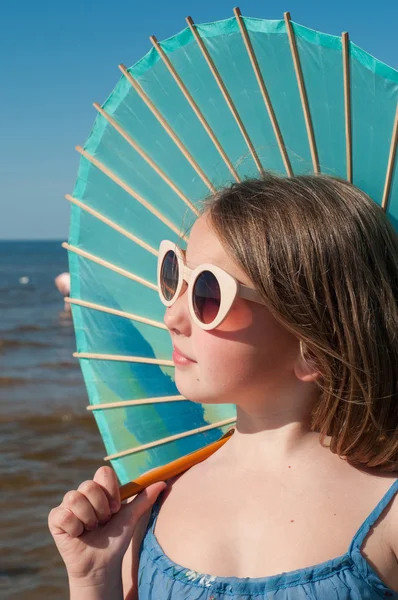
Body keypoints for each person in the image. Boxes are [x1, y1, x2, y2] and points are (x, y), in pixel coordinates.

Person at [49, 174, 398, 599]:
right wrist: (92, 579)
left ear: (314, 345)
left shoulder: (387, 517)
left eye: (209, 294)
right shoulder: (151, 506)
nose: (172, 318)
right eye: (174, 273)